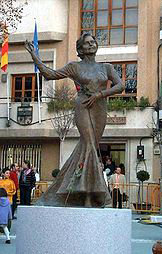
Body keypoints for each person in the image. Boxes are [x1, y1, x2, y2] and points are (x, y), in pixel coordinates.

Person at [25, 32, 124, 207]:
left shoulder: (106, 67)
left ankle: (69, 191)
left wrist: (100, 94)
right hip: (83, 106)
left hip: (100, 107)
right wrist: (35, 56)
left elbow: (120, 85)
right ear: (80, 49)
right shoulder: (75, 67)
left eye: (93, 42)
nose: (91, 45)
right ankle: (89, 195)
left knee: (89, 146)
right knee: (90, 146)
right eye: (87, 43)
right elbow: (50, 74)